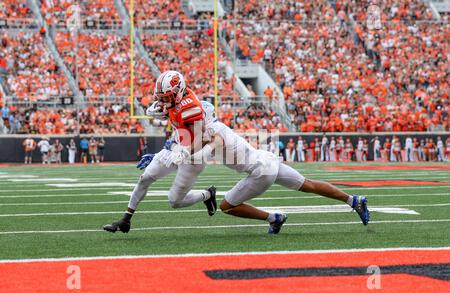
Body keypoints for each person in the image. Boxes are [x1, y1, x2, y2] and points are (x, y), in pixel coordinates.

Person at [190, 106, 370, 234]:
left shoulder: (213, 130)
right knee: (309, 184)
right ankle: (353, 200)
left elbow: (211, 143)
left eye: (195, 117)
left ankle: (274, 218)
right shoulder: (215, 127)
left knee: (226, 207)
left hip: (261, 170)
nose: (193, 122)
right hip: (266, 160)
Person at [103, 71, 217, 233]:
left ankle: (207, 194)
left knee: (174, 201)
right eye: (161, 97)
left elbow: (202, 138)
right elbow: (172, 117)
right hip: (176, 147)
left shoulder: (191, 108)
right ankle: (125, 220)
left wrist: (184, 153)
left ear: (178, 92)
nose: (163, 100)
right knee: (145, 178)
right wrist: (157, 109)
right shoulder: (173, 99)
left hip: (193, 155)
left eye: (166, 97)